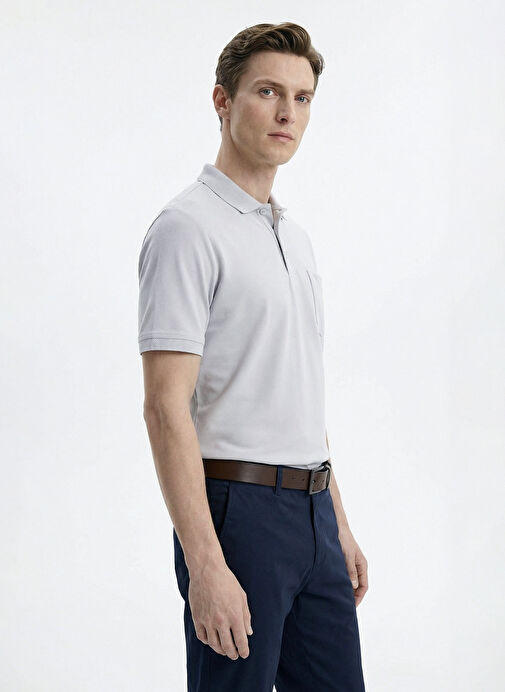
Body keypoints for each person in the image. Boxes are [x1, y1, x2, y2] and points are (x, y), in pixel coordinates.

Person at [138, 21, 368, 692]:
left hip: (313, 513)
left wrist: (338, 525)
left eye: (301, 97)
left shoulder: (295, 238)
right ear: (222, 101)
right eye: (268, 92)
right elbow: (164, 406)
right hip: (238, 513)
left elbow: (296, 394)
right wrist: (205, 563)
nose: (286, 112)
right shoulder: (186, 229)